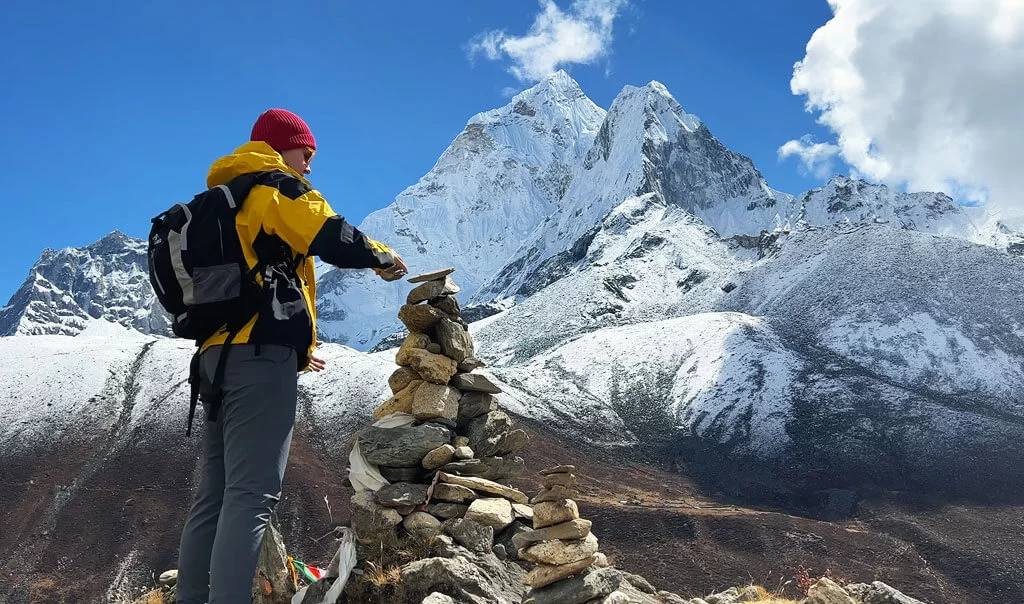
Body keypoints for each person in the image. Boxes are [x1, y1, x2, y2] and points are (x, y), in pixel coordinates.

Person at [175, 108, 407, 604]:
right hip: (259, 361)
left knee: (213, 498)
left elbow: (254, 286)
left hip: (216, 359)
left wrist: (295, 348)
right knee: (252, 495)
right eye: (306, 154)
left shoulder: (225, 197)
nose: (309, 167)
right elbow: (329, 236)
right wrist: (382, 255)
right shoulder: (273, 187)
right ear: (283, 147)